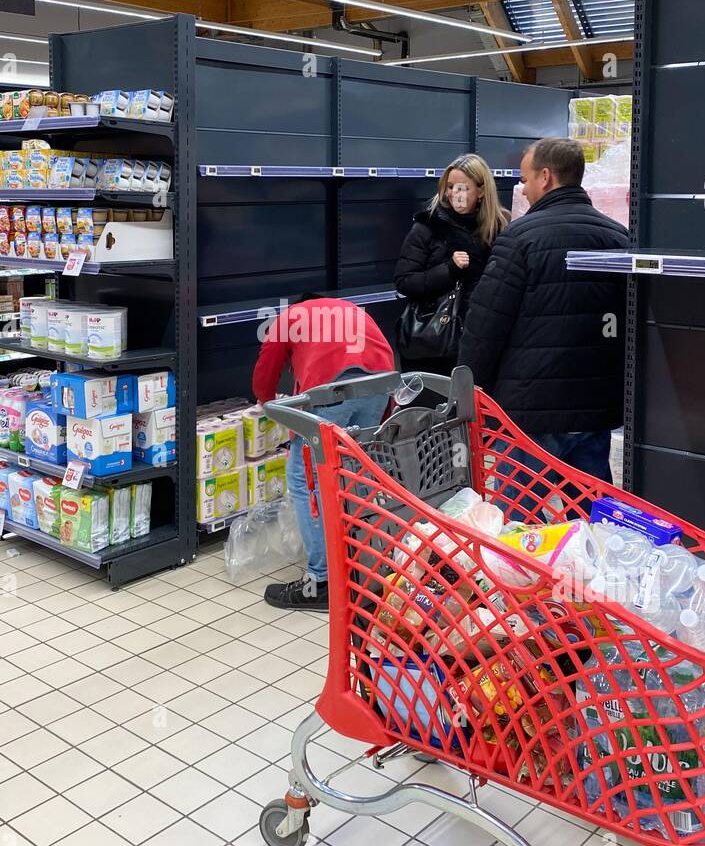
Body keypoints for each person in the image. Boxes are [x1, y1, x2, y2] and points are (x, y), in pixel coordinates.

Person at [458, 137, 628, 502]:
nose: (523, 187)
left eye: (525, 178)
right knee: (590, 523)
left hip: (528, 417)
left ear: (546, 177)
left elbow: (485, 327)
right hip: (593, 412)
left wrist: (470, 394)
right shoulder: (618, 238)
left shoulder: (520, 238)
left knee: (516, 524)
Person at [252, 295, 395, 611]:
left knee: (306, 481)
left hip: (333, 390)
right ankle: (365, 570)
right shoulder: (350, 309)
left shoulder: (291, 316)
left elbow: (267, 368)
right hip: (381, 383)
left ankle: (321, 582)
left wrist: (265, 403)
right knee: (356, 476)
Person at [393, 154, 508, 379]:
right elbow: (404, 280)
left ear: (481, 191)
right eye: (450, 187)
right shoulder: (428, 226)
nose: (455, 194)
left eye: (463, 188)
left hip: (481, 340)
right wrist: (449, 269)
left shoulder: (499, 228)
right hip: (434, 343)